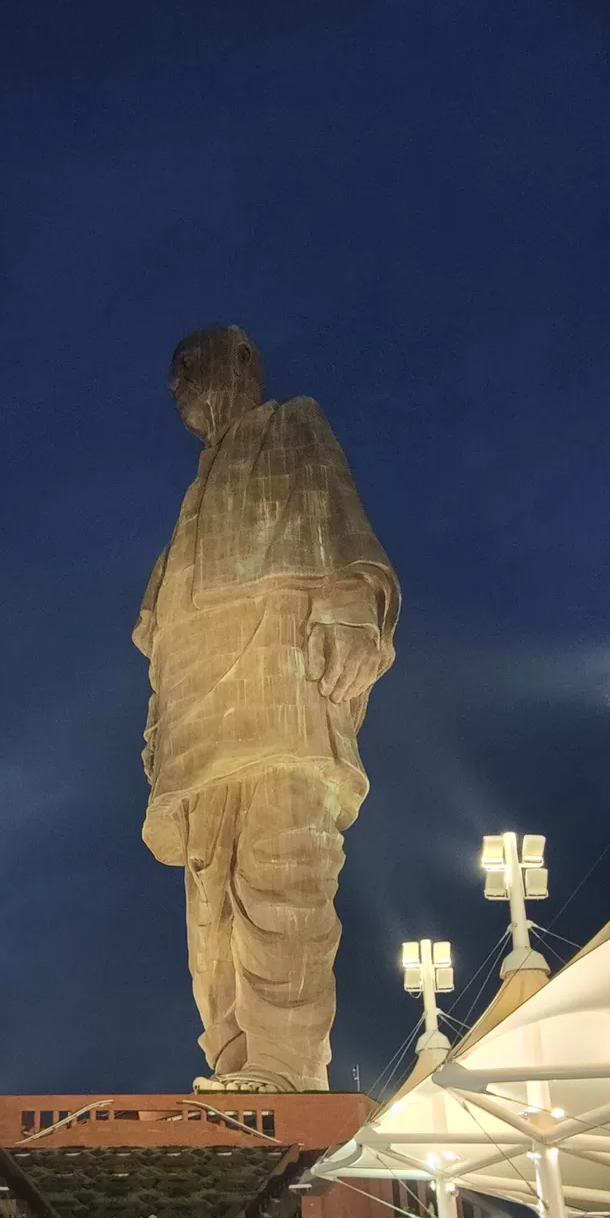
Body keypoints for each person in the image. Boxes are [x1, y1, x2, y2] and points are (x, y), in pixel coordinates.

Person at [133, 324, 398, 1093]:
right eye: (174, 365)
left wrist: (350, 606)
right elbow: (160, 628)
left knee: (285, 868)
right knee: (211, 899)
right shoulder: (194, 494)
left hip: (279, 681)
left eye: (196, 359)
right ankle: (235, 1059)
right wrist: (158, 721)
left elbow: (347, 533)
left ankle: (285, 1066)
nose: (182, 375)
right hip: (199, 712)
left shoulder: (292, 426)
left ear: (244, 364)